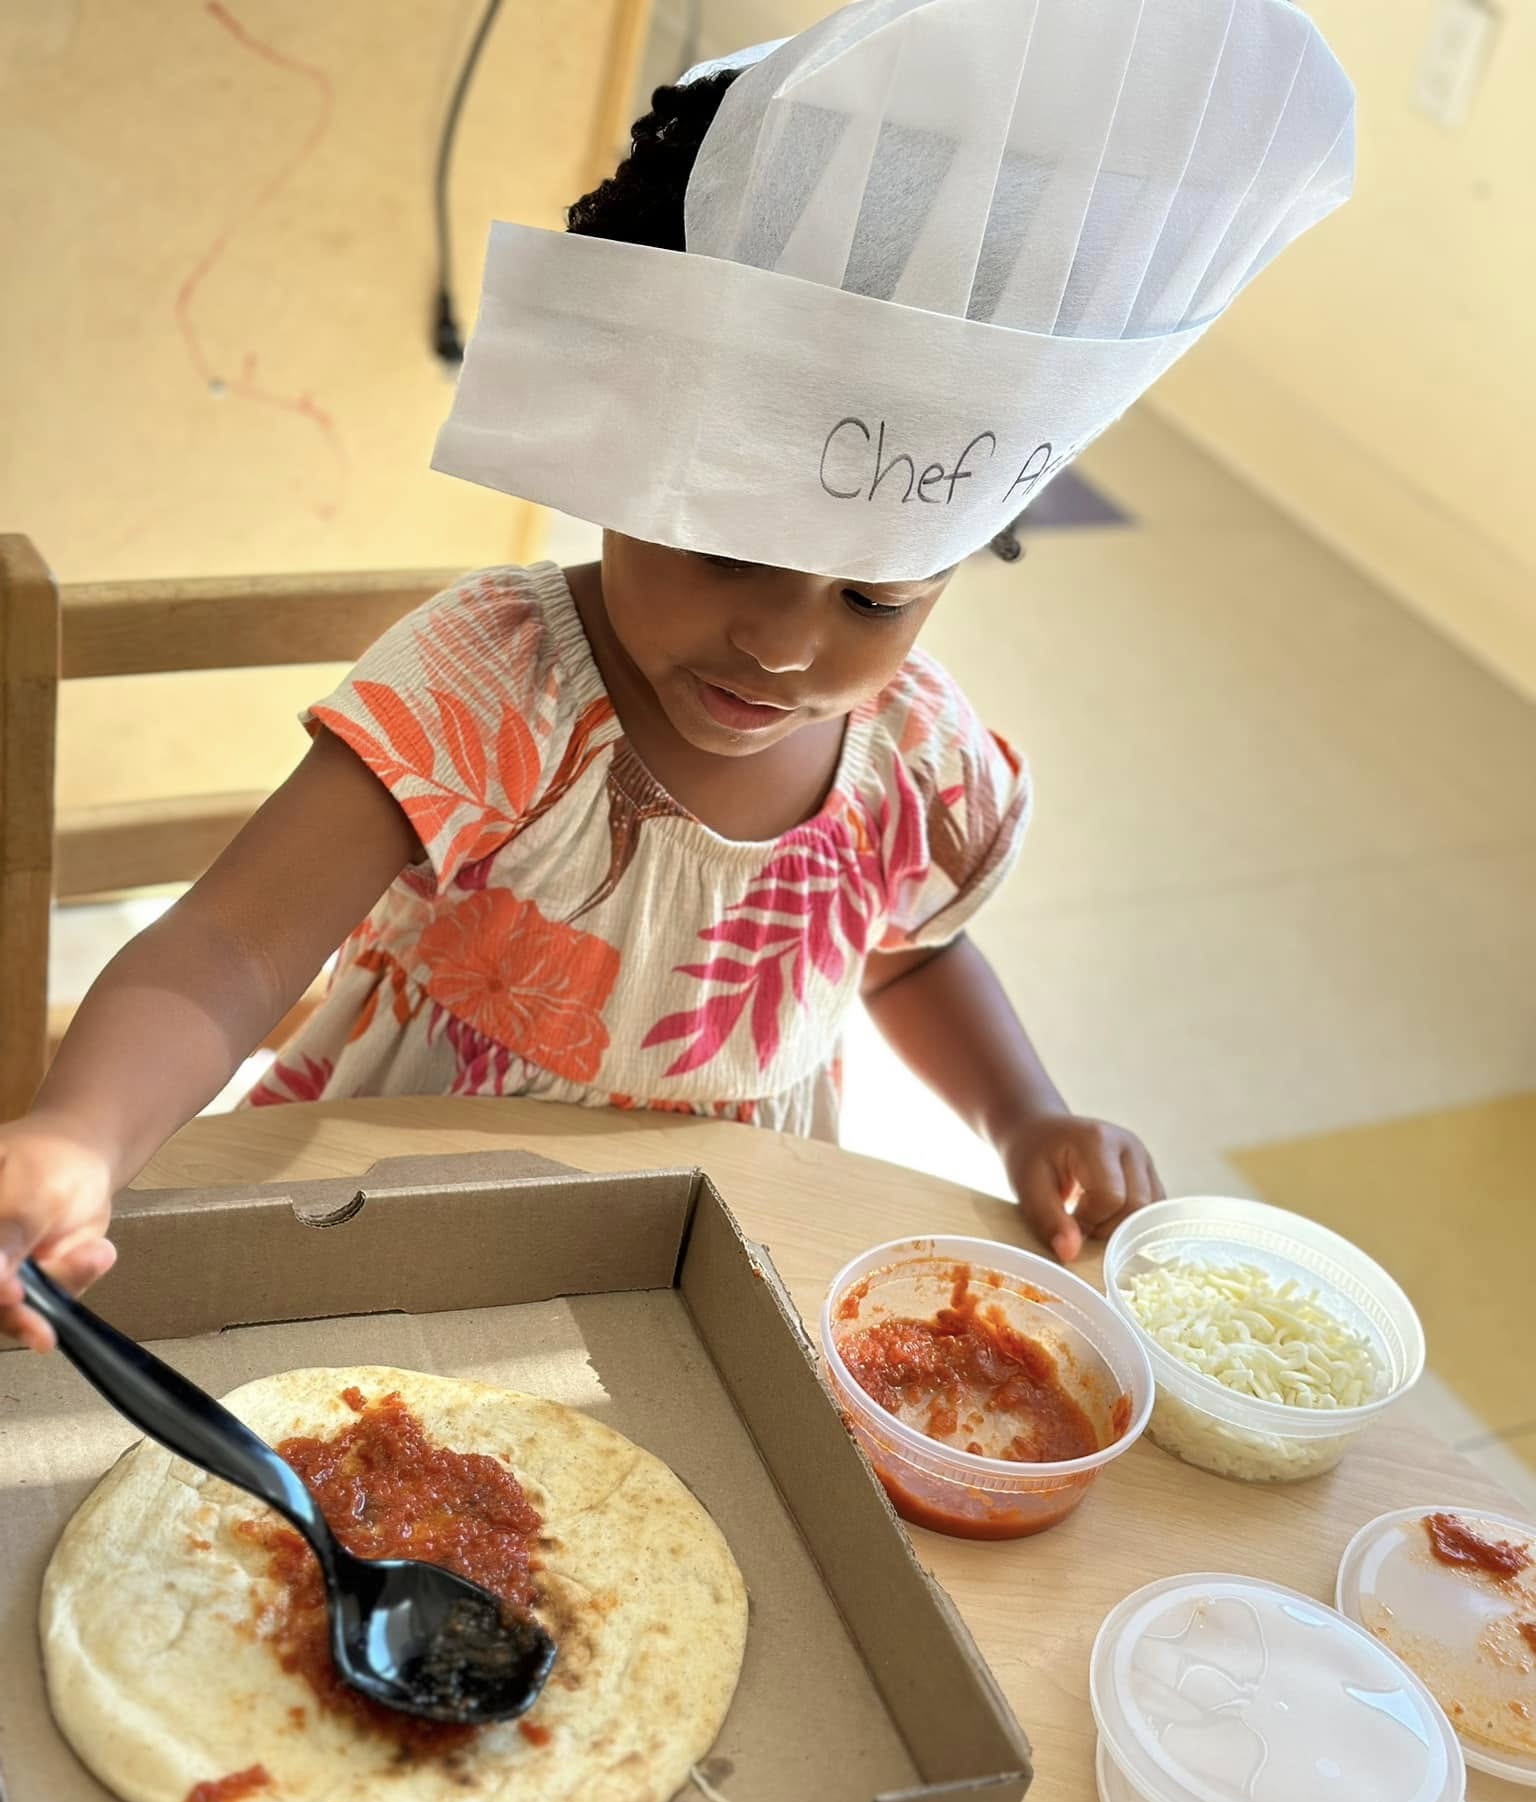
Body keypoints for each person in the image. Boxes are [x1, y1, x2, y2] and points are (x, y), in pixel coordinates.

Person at [0, 0, 1354, 1351]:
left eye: (876, 598)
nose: (783, 646)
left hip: (704, 1272)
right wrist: (78, 1134)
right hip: (387, 1218)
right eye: (722, 551)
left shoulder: (917, 756)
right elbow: (233, 948)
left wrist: (1024, 1115)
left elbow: (910, 957)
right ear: (625, 455)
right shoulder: (496, 685)